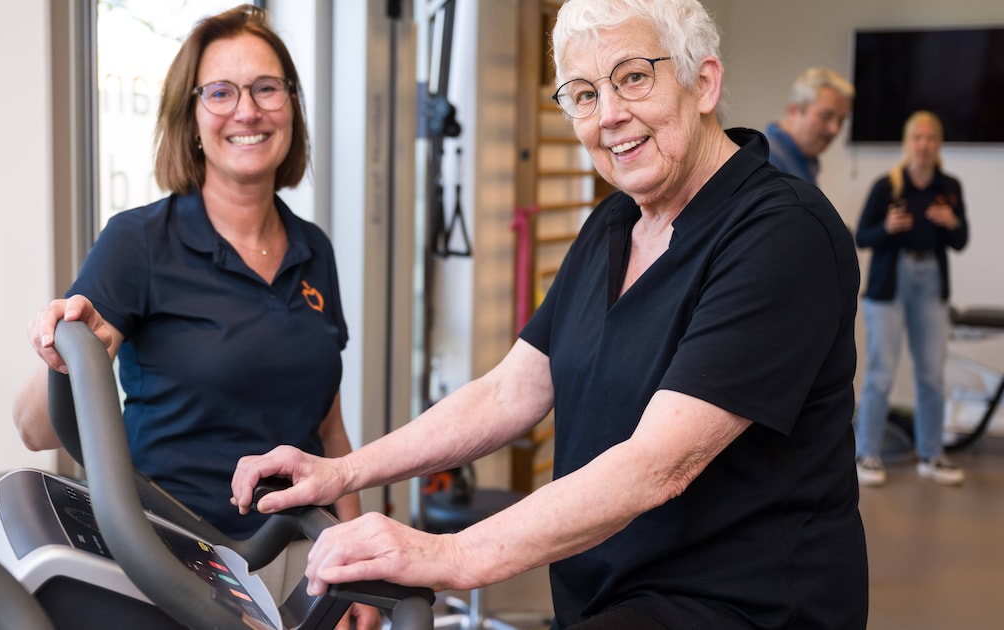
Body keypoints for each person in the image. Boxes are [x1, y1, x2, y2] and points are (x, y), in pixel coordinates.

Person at [231, 0, 868, 628]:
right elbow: (510, 391)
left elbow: (659, 465)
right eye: (583, 95)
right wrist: (343, 470)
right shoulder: (614, 223)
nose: (610, 115)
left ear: (703, 82)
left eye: (634, 77)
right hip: (606, 593)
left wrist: (447, 554)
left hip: (740, 604)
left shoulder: (783, 234)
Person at [14, 6, 377, 626]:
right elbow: (34, 428)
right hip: (171, 555)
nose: (247, 111)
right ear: (192, 118)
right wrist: (72, 352)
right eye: (221, 92)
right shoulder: (139, 243)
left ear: (290, 104)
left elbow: (329, 431)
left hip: (294, 561)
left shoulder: (315, 249)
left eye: (267, 88)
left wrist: (360, 568)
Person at [853, 110, 969, 487]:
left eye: (930, 138)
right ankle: (867, 453)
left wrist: (952, 223)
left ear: (938, 145)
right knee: (880, 373)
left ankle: (932, 455)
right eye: (917, 138)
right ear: (907, 143)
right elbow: (862, 237)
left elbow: (961, 240)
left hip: (931, 282)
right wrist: (886, 228)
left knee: (932, 375)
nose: (923, 145)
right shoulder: (887, 185)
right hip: (890, 283)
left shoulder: (948, 187)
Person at [765, 67, 854, 186]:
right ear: (793, 110)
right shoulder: (767, 160)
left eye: (841, 120)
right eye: (826, 116)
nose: (835, 129)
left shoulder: (805, 158)